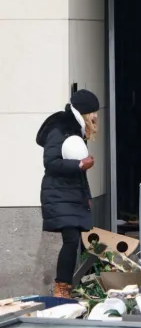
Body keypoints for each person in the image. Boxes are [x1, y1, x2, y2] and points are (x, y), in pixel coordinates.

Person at [36, 89, 101, 299]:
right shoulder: (60, 129)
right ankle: (61, 288)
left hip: (71, 194)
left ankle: (69, 286)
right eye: (93, 112)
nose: (96, 116)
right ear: (83, 112)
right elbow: (51, 163)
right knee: (71, 239)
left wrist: (86, 196)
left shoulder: (75, 131)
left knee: (76, 240)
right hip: (58, 194)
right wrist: (80, 164)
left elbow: (77, 174)